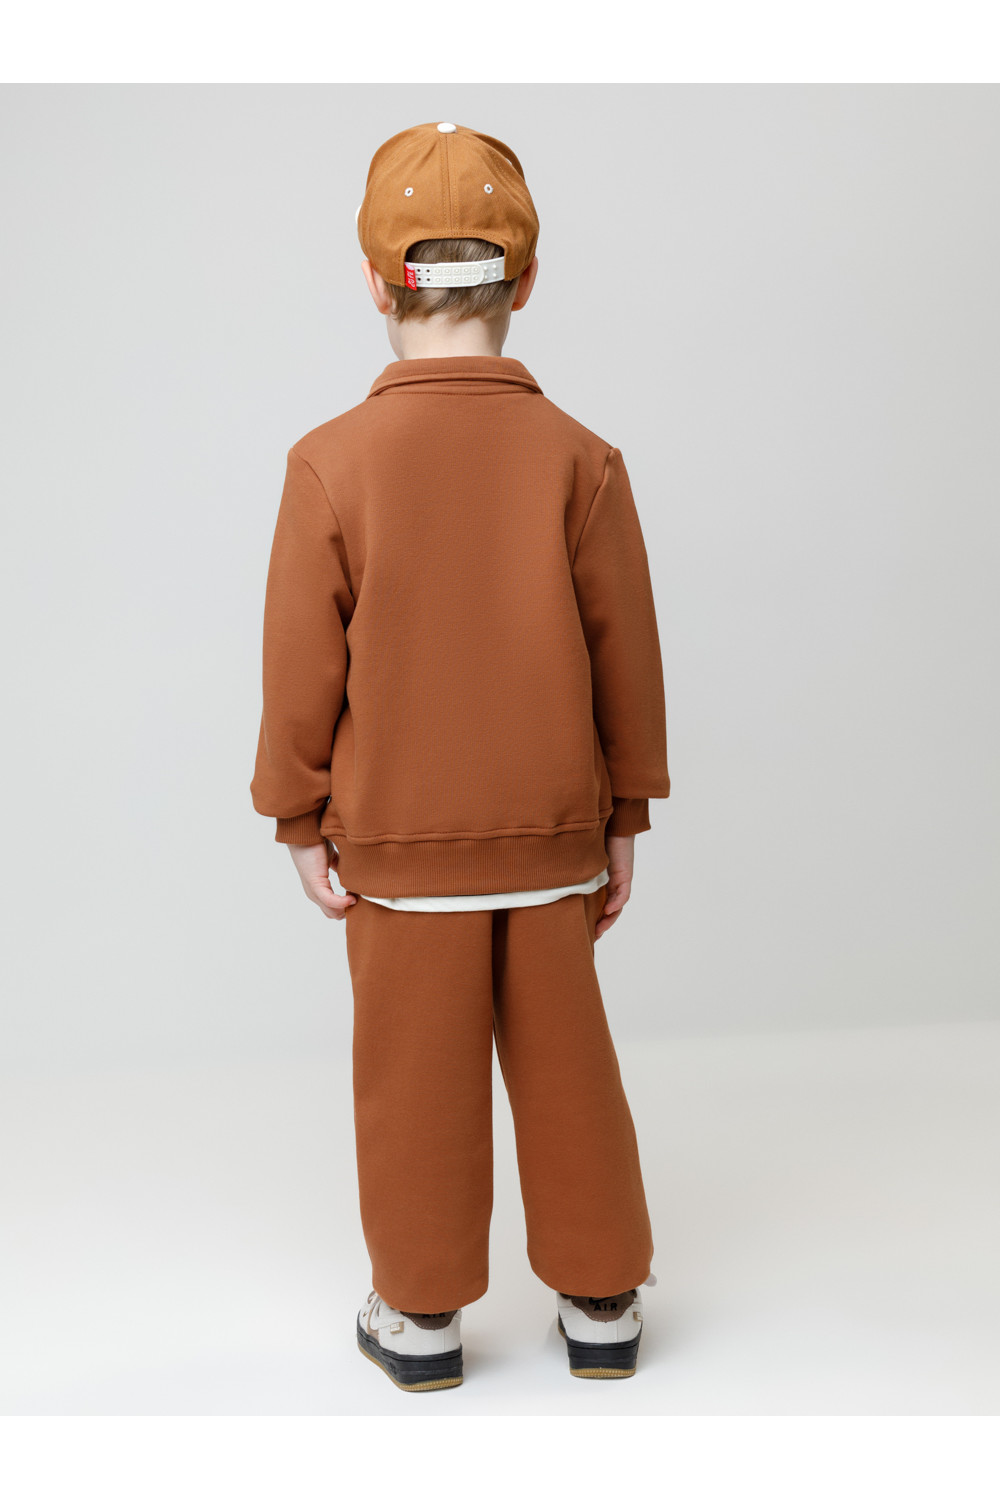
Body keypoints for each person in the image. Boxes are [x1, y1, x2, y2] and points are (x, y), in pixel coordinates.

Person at [250, 120, 670, 1393]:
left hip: (396, 842)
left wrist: (297, 815)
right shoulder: (582, 459)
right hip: (550, 832)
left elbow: (299, 664)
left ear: (375, 285)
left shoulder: (329, 463)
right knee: (569, 1068)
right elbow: (626, 653)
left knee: (413, 1078)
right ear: (525, 283)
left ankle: (421, 1317)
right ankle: (602, 1302)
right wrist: (624, 815)